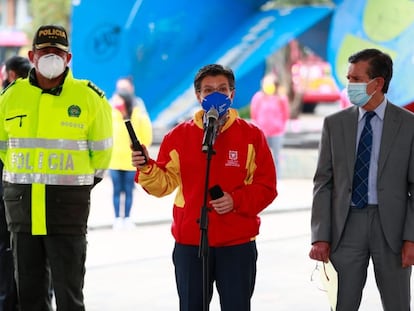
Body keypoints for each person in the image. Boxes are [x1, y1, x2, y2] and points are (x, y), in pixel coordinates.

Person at [131, 64, 277, 311]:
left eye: (222, 89)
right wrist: (146, 167)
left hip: (237, 243)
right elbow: (163, 184)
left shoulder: (252, 136)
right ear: (198, 96)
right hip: (191, 243)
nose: (215, 95)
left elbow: (266, 187)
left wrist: (236, 200)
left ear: (232, 94)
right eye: (208, 90)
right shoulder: (178, 137)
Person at [0, 25, 113, 311]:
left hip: (67, 209)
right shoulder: (10, 97)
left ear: (69, 57)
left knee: (69, 294)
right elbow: (4, 151)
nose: (51, 56)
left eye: (58, 52)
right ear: (32, 55)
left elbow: (101, 157)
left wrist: (74, 187)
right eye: (45, 51)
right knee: (29, 293)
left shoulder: (90, 98)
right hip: (22, 208)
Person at [309, 48, 414, 310]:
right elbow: (323, 182)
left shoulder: (409, 125)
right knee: (342, 303)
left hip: (392, 229)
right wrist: (320, 235)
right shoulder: (334, 124)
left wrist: (411, 238)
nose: (349, 85)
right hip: (346, 227)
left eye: (356, 79)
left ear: (377, 83)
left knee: (397, 303)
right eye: (349, 78)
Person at [0, 55, 31, 311]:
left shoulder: (7, 100)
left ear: (10, 75)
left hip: (9, 191)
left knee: (8, 251)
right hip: (26, 192)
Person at [109, 89, 152, 229]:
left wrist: (142, 152)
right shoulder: (111, 115)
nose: (115, 102)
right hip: (114, 160)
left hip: (131, 161)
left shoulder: (137, 115)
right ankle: (117, 218)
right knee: (116, 190)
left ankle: (127, 218)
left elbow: (146, 133)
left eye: (118, 99)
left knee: (128, 190)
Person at [250, 73, 290, 174]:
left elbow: (286, 114)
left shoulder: (281, 98)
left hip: (277, 132)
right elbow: (254, 113)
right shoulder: (258, 97)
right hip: (262, 132)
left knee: (276, 156)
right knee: (260, 157)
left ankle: (277, 179)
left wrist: (281, 127)